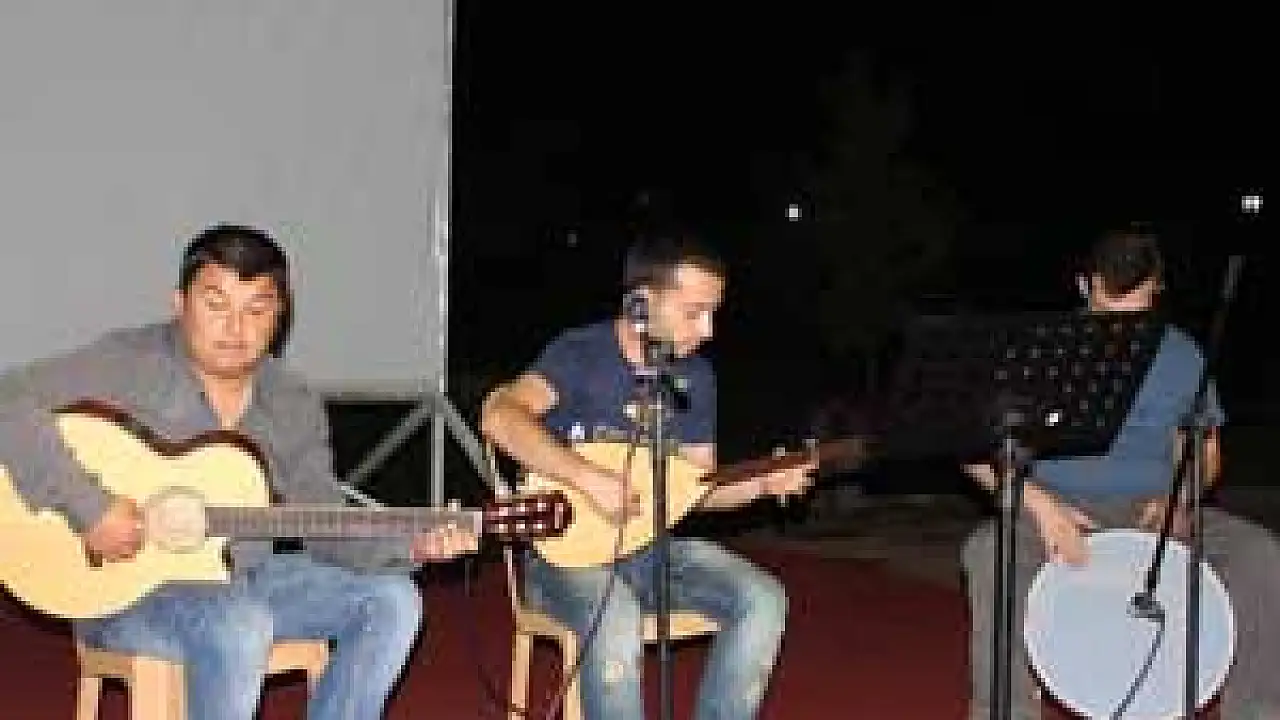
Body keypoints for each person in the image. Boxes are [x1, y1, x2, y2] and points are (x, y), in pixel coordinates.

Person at [0, 223, 477, 720]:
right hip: (123, 593)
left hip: (243, 578)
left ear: (281, 314)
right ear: (180, 303)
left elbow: (325, 524)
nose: (235, 328)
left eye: (256, 309)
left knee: (392, 600)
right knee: (239, 622)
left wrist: (412, 546)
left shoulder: (291, 401)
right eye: (216, 304)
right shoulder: (130, 362)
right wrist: (89, 508)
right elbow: (8, 399)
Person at [480, 231, 815, 720]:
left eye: (713, 313)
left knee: (762, 599)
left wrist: (764, 484)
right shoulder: (580, 355)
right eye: (694, 312)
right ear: (641, 303)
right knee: (615, 615)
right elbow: (499, 417)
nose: (708, 330)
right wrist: (587, 477)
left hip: (650, 551)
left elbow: (697, 489)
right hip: (560, 561)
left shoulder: (694, 378)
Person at [961, 226, 1280, 719]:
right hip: (1059, 515)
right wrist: (1041, 508)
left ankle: (1257, 712)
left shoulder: (1182, 354)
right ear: (1084, 285)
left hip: (1154, 512)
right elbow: (975, 452)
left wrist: (1180, 499)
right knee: (989, 551)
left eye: (1139, 307)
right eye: (1110, 308)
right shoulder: (1037, 348)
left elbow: (1205, 453)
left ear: (1157, 289)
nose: (1124, 328)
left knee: (1258, 554)